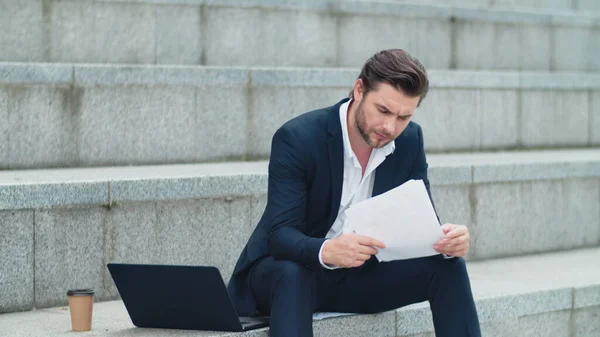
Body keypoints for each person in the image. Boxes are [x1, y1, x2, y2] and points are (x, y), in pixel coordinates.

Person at [227, 49, 481, 337]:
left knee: (449, 267)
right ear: (359, 90)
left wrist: (447, 241)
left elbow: (421, 222)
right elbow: (281, 235)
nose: (390, 126)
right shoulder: (299, 138)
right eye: (383, 110)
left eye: (403, 117)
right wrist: (327, 251)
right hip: (294, 273)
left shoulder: (410, 140)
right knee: (292, 273)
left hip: (360, 275)